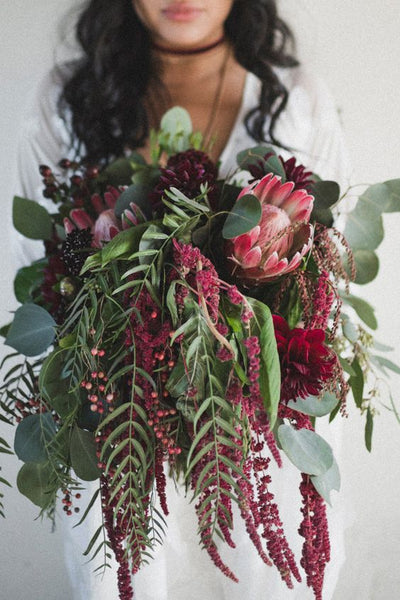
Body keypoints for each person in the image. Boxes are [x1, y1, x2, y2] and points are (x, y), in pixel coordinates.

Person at [16, 1, 349, 598]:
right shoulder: (66, 100)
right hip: (117, 446)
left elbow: (328, 290)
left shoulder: (298, 101)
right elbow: (39, 276)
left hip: (254, 460)